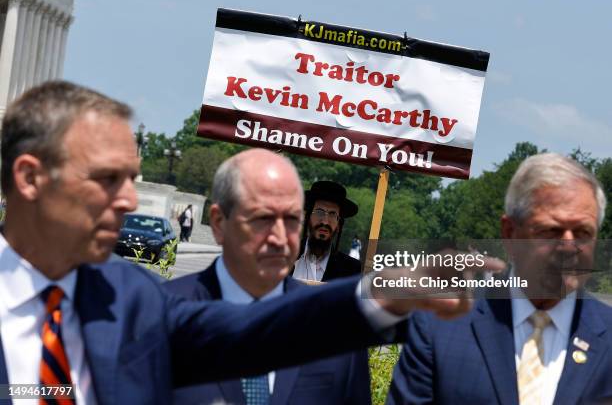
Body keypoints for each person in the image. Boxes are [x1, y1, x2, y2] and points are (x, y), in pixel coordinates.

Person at [0, 81, 468, 404]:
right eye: (106, 179)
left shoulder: (128, 297)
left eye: (131, 179)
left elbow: (253, 331)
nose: (127, 200)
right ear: (30, 178)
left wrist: (382, 293)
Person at [386, 153, 612, 405]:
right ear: (510, 233)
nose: (570, 247)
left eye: (583, 232)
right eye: (551, 230)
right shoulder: (440, 325)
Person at [165, 150, 371, 404]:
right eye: (263, 218)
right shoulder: (161, 315)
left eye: (291, 219)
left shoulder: (338, 327)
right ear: (219, 223)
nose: (279, 236)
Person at [292, 181, 361, 281]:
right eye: (319, 212)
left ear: (338, 224)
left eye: (333, 214)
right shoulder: (284, 257)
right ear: (307, 217)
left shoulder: (351, 270)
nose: (325, 221)